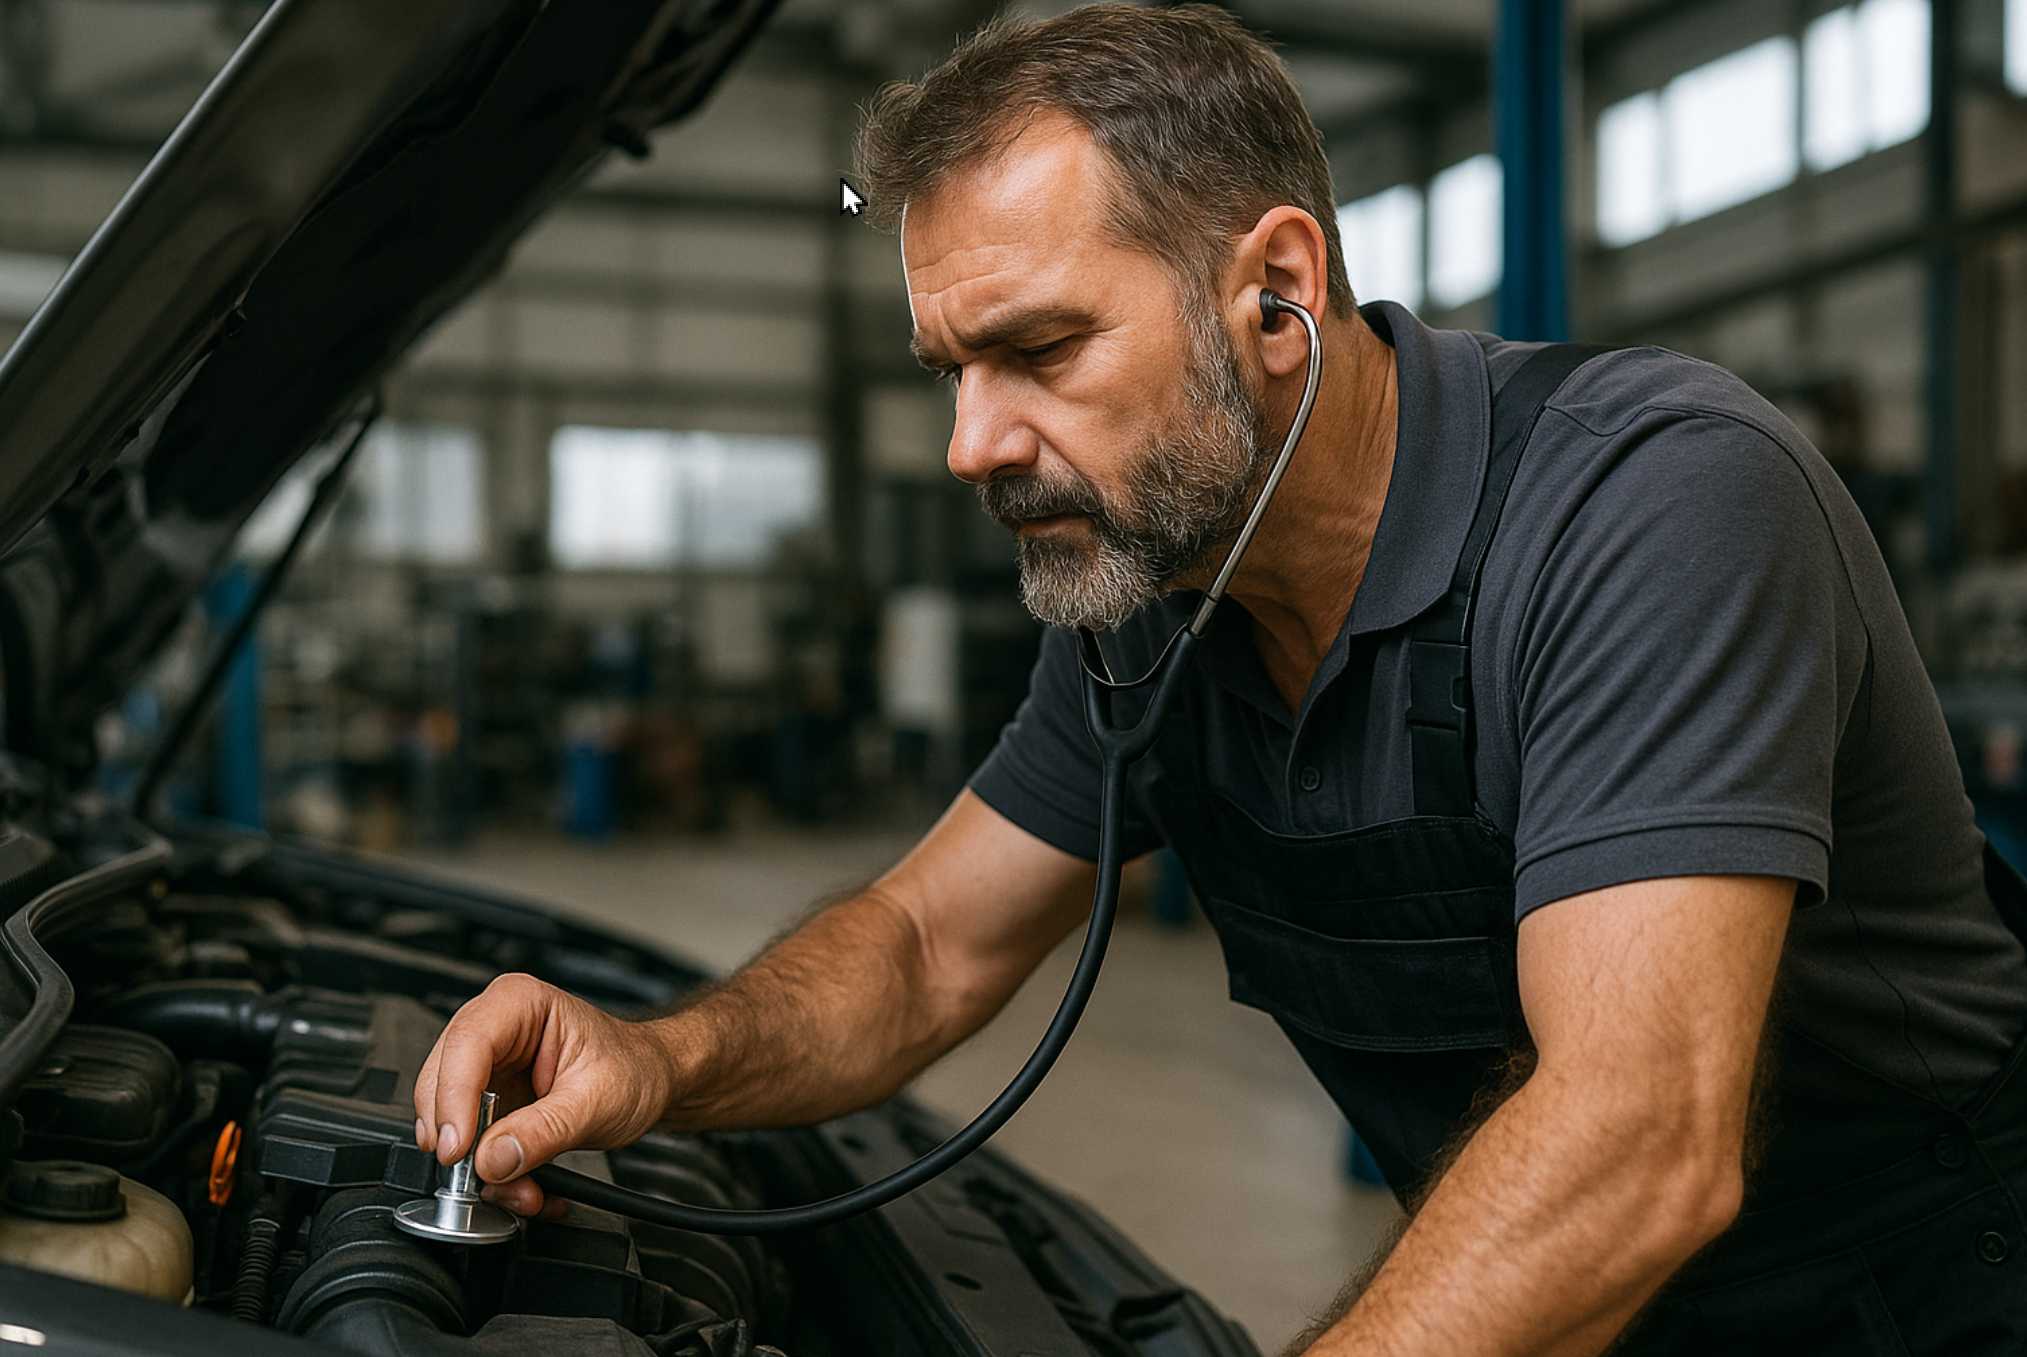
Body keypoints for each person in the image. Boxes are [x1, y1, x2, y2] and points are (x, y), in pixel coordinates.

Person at [413, 6, 2027, 1352]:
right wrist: (662, 1061)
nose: (972, 445)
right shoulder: (1159, 594)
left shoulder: (1651, 503)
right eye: (948, 373)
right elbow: (920, 944)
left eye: (1040, 353)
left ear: (1277, 292)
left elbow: (1639, 1137)